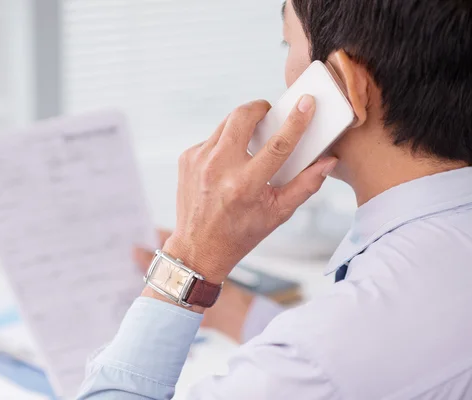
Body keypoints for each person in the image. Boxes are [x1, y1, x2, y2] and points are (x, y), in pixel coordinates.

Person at [78, 0, 472, 398]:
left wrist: (188, 261)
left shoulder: (331, 354)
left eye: (289, 45)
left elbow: (332, 363)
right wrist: (232, 310)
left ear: (349, 84)